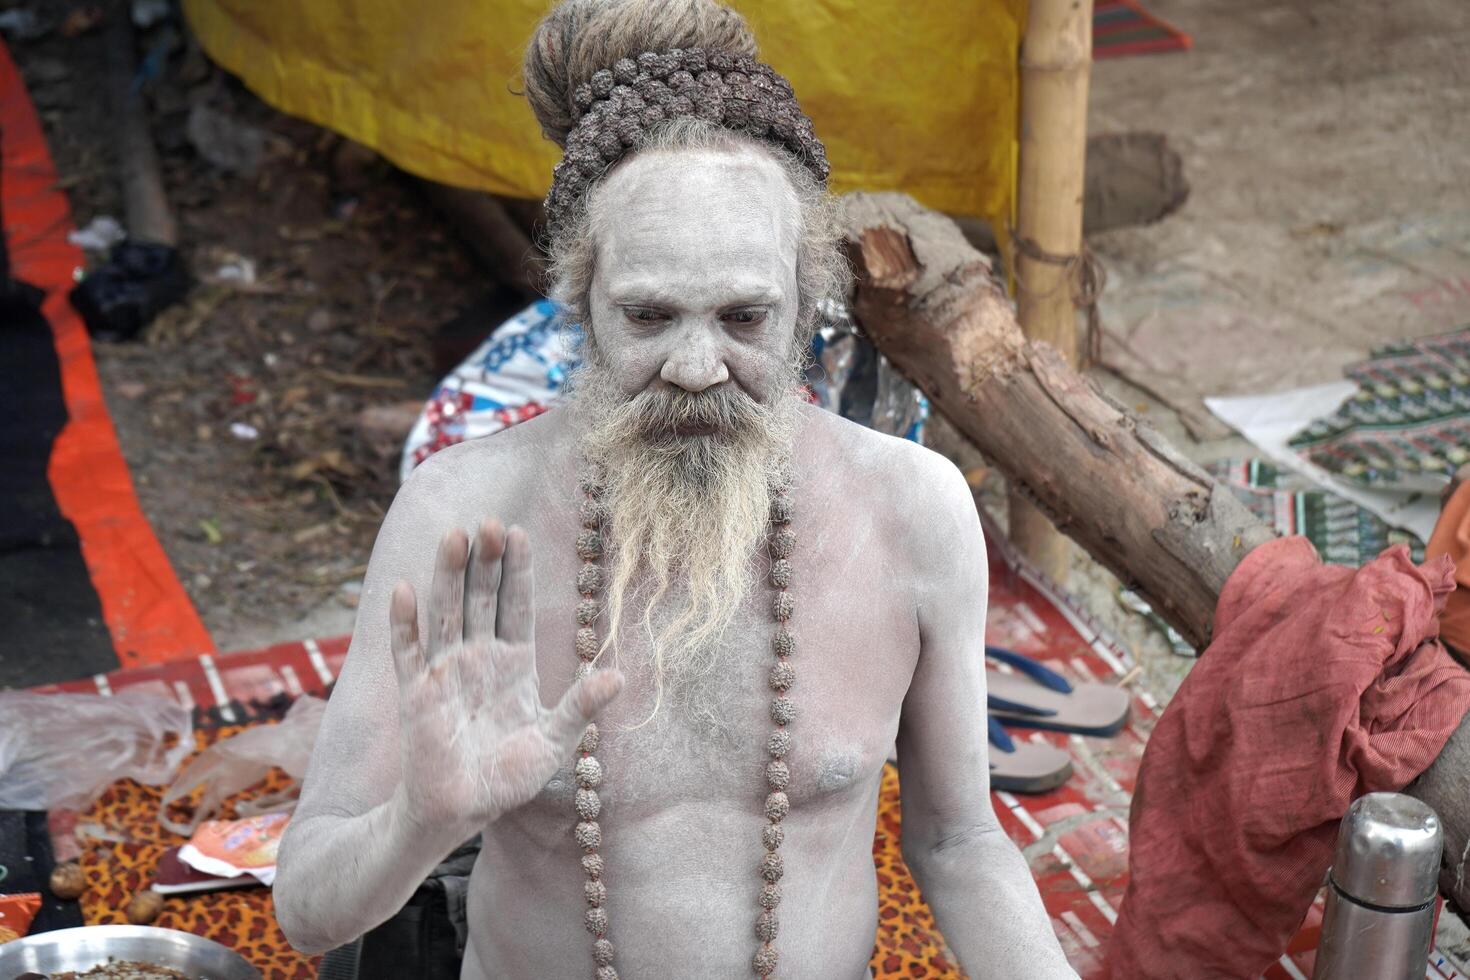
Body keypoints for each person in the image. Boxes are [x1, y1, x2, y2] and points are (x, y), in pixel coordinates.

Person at [273, 2, 1077, 976]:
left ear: (805, 299)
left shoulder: (913, 510)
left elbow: (958, 841)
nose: (697, 366)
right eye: (649, 315)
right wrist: (420, 819)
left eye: (745, 316)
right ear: (578, 299)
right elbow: (309, 909)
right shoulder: (461, 518)